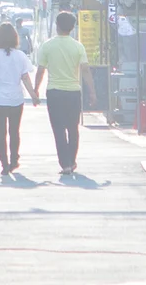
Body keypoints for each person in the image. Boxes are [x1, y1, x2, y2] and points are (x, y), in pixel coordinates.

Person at [33, 11, 97, 175]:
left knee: (58, 129)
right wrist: (92, 92)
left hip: (54, 92)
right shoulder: (78, 46)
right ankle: (72, 160)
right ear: (72, 27)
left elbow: (41, 70)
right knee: (73, 128)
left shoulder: (47, 46)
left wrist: (35, 90)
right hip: (73, 92)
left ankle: (65, 164)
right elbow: (85, 70)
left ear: (57, 26)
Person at [0, 22, 39, 175]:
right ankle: (14, 159)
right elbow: (25, 77)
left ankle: (4, 163)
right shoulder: (20, 55)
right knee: (14, 131)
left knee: (0, 132)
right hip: (16, 99)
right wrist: (34, 96)